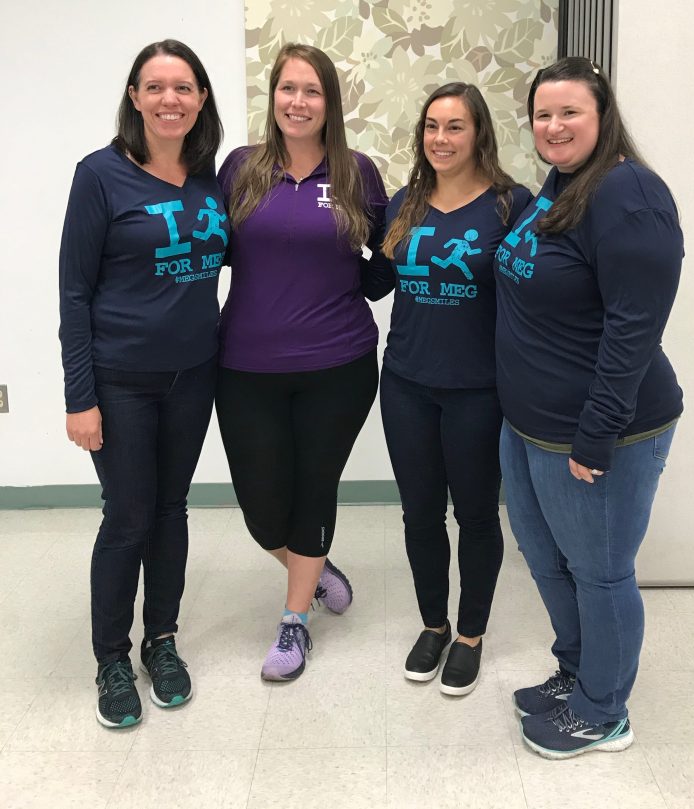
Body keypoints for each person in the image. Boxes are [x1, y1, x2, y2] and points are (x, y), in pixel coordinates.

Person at [495, 57, 684, 757]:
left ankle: (604, 711)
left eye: (570, 111)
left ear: (602, 115)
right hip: (531, 424)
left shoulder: (630, 194)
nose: (554, 125)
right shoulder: (560, 184)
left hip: (600, 429)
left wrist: (595, 433)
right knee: (546, 558)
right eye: (542, 114)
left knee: (600, 571)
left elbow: (635, 328)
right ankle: (578, 671)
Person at [58, 40, 227, 727]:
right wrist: (80, 397)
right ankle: (110, 658)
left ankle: (162, 639)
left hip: (194, 374)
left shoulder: (210, 178)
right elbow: (74, 292)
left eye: (183, 87)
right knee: (128, 515)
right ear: (134, 97)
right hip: (120, 378)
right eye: (154, 87)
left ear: (201, 99)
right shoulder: (99, 175)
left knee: (170, 508)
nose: (169, 99)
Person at [214, 43, 388, 681]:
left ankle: (294, 623)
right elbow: (214, 247)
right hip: (245, 365)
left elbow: (386, 256)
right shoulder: (241, 169)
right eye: (288, 88)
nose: (298, 101)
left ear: (329, 102)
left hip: (337, 364)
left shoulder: (356, 173)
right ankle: (312, 568)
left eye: (312, 90)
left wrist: (344, 287)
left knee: (314, 489)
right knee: (262, 508)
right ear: (273, 97)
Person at [375, 83, 531, 696]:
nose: (440, 139)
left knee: (475, 515)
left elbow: (538, 289)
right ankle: (434, 625)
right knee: (419, 514)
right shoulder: (404, 204)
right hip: (406, 384)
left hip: (478, 390)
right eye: (431, 127)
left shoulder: (511, 205)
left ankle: (470, 635)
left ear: (478, 133)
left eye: (455, 126)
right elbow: (374, 280)